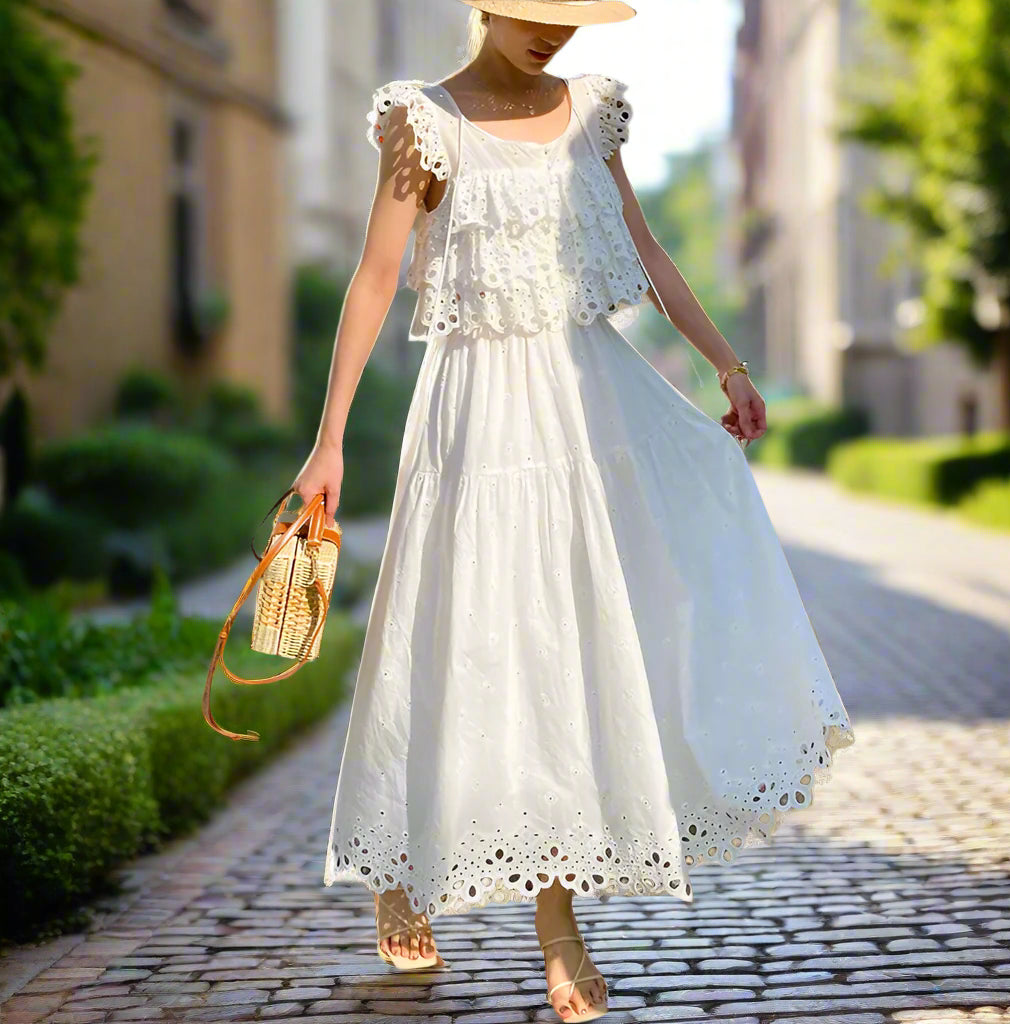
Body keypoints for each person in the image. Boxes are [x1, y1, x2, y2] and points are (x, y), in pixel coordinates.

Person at [294, 1, 856, 1020]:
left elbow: (642, 250)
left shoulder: (593, 112)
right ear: (483, 7)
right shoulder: (420, 118)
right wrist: (328, 439)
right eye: (530, 13)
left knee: (566, 649)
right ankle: (398, 869)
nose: (552, 33)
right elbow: (377, 277)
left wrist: (725, 363)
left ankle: (558, 927)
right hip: (475, 416)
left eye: (568, 15)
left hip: (589, 405)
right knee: (456, 639)